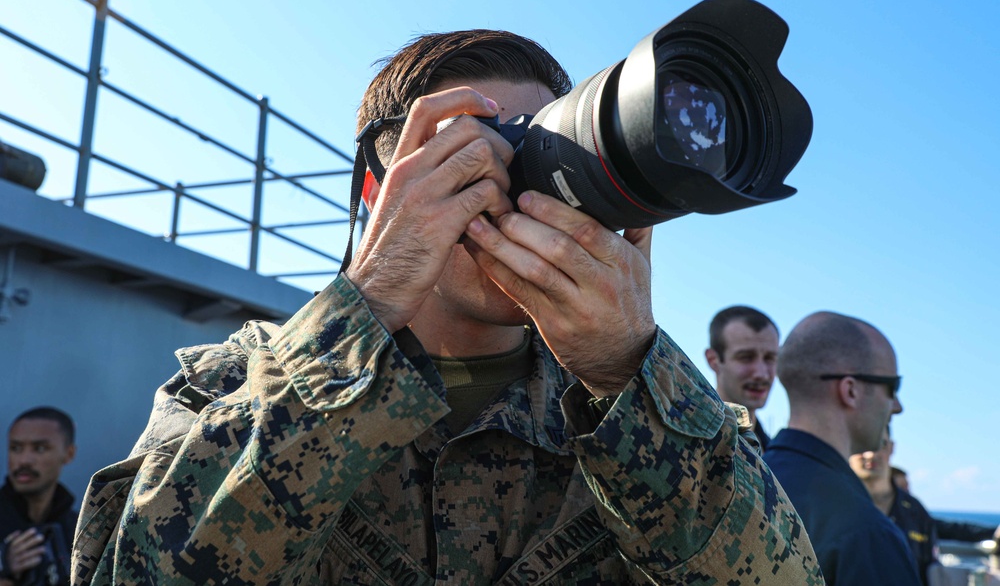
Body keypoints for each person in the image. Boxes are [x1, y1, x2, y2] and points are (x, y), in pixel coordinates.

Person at [71, 30, 823, 585]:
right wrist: (359, 315)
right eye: (476, 152)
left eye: (545, 152)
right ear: (379, 191)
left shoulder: (633, 412)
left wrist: (628, 368)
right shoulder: (230, 384)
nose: (525, 194)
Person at [764, 311, 920, 585]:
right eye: (892, 387)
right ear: (851, 391)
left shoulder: (743, 479)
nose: (897, 406)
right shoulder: (866, 534)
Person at [850, 427, 937, 585]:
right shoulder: (828, 506)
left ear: (891, 448)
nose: (871, 454)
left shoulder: (915, 511)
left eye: (880, 443)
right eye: (863, 444)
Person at [1, 407, 77, 586]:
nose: (24, 460)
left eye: (40, 448)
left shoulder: (79, 530)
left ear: (69, 454)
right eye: (16, 448)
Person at [704, 305, 780, 449]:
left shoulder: (771, 454)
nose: (761, 374)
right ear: (713, 360)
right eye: (746, 357)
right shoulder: (694, 442)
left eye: (770, 358)